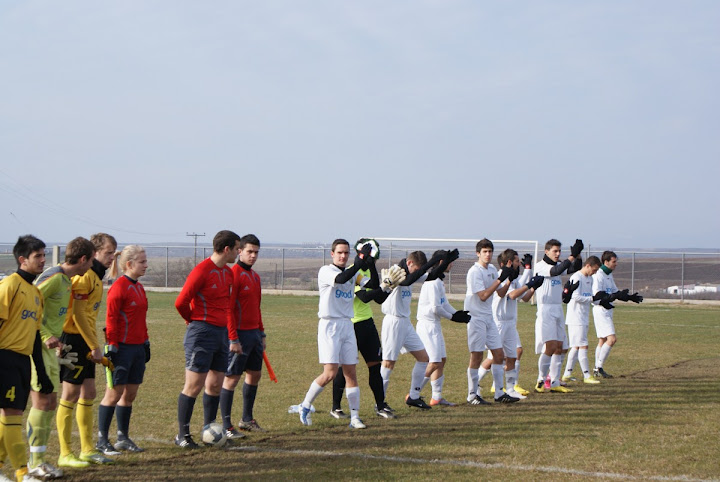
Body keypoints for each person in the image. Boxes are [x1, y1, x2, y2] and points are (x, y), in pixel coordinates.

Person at [26, 237, 95, 479]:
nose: (92, 265)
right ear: (84, 259)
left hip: (50, 348)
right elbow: (29, 303)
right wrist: (45, 335)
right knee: (41, 403)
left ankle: (39, 460)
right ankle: (33, 462)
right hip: (35, 345)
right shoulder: (54, 278)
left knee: (49, 403)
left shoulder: (67, 281)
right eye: (92, 259)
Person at [57, 233, 119, 468]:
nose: (112, 257)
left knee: (89, 392)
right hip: (72, 339)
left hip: (84, 339)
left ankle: (87, 449)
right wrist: (94, 346)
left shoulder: (95, 276)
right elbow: (78, 314)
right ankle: (65, 452)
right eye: (108, 252)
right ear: (94, 253)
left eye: (114, 252)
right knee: (70, 394)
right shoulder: (84, 278)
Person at [174, 230, 241, 448]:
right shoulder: (201, 271)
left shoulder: (229, 274)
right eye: (237, 248)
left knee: (214, 385)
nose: (239, 253)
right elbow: (181, 302)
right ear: (226, 249)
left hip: (220, 334)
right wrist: (192, 321)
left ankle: (209, 431)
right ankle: (182, 435)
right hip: (201, 333)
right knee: (193, 385)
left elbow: (228, 307)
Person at [298, 239, 374, 429]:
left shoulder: (353, 272)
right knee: (330, 373)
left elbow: (371, 284)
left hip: (347, 325)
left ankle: (355, 417)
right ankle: (305, 405)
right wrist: (357, 263)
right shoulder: (326, 271)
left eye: (346, 253)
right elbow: (340, 279)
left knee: (351, 372)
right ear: (332, 254)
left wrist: (370, 264)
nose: (343, 256)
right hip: (329, 325)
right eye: (340, 252)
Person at [330, 239, 405, 420]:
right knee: (344, 368)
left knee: (375, 366)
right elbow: (364, 297)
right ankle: (336, 407)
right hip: (352, 324)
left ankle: (380, 405)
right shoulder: (351, 272)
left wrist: (383, 283)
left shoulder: (365, 270)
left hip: (367, 324)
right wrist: (383, 287)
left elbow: (377, 296)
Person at [0, 235, 53, 482]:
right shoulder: (9, 285)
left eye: (44, 255)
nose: (43, 260)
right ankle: (22, 473)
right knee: (11, 417)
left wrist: (40, 372)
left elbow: (33, 337)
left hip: (22, 362)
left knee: (9, 419)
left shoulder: (35, 293)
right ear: (23, 260)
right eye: (38, 256)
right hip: (4, 359)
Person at [96, 245, 151, 455]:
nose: (146, 265)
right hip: (121, 349)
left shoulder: (138, 287)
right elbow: (111, 319)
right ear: (129, 264)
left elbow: (141, 319)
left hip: (137, 348)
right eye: (142, 262)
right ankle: (102, 440)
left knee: (130, 394)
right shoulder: (119, 287)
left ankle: (123, 437)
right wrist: (112, 346)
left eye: (145, 261)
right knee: (114, 393)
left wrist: (146, 342)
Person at [380, 249, 451, 410]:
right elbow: (406, 281)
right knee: (388, 363)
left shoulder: (412, 272)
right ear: (410, 263)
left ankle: (414, 396)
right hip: (393, 322)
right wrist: (432, 263)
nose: (417, 273)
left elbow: (430, 277)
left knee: (424, 358)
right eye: (416, 269)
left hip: (405, 322)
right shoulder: (395, 271)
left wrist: (444, 262)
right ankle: (380, 402)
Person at [464, 239, 523, 404]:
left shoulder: (491, 269)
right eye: (484, 251)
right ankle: (472, 395)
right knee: (476, 356)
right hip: (476, 318)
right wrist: (499, 279)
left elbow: (500, 293)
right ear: (478, 253)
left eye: (490, 251)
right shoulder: (474, 271)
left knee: (499, 354)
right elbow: (483, 296)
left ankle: (499, 394)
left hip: (489, 317)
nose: (488, 254)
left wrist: (509, 280)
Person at [220, 234, 267, 436]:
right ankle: (226, 425)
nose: (253, 256)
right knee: (231, 378)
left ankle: (247, 419)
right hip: (238, 335)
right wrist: (233, 338)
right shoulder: (234, 274)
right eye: (250, 251)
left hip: (254, 334)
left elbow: (256, 307)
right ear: (240, 251)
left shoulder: (255, 277)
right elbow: (228, 309)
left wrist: (261, 332)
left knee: (254, 374)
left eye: (256, 252)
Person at [481, 250, 543, 399]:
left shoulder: (514, 278)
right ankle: (475, 384)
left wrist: (534, 287)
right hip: (498, 323)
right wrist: (528, 284)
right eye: (516, 261)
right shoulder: (501, 275)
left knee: (512, 356)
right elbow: (508, 295)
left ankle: (510, 389)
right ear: (509, 262)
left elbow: (525, 298)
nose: (518, 264)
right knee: (493, 357)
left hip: (510, 323)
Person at [415, 250, 470, 406]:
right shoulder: (432, 282)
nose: (451, 265)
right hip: (427, 325)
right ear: (441, 263)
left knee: (441, 360)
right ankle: (413, 394)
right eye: (449, 262)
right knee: (433, 362)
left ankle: (436, 397)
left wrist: (458, 313)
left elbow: (443, 304)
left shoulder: (439, 280)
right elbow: (435, 308)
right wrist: (453, 318)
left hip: (434, 325)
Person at [532, 238, 583, 394]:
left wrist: (578, 254)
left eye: (559, 251)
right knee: (551, 346)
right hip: (546, 309)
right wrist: (571, 256)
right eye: (555, 251)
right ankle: (540, 380)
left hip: (558, 308)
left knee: (561, 347)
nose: (558, 254)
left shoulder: (557, 265)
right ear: (546, 251)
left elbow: (575, 267)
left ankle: (554, 382)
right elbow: (556, 271)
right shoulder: (541, 266)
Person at [591, 251, 643, 378]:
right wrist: (610, 297)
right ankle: (598, 368)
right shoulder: (599, 275)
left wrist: (629, 297)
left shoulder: (608, 275)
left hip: (608, 309)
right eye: (614, 262)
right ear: (606, 262)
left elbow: (615, 292)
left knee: (602, 340)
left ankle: (596, 368)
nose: (616, 264)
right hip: (601, 309)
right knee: (612, 339)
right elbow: (597, 294)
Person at [561, 256, 603, 384]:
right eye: (594, 270)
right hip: (575, 317)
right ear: (588, 266)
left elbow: (589, 297)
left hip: (583, 316)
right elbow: (575, 297)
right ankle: (587, 375)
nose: (594, 273)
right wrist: (591, 299)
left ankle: (567, 374)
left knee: (576, 346)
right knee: (583, 345)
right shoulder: (576, 277)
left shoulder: (589, 278)